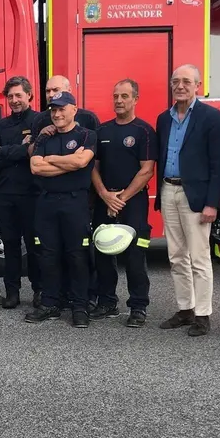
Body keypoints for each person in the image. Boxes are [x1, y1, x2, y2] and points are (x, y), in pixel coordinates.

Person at [155, 64, 220, 337]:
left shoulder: (212, 118)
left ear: (198, 85)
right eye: (175, 81)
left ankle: (202, 314)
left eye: (186, 81)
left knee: (199, 258)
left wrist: (213, 203)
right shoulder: (164, 118)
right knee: (176, 256)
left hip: (196, 197)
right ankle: (185, 309)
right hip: (168, 190)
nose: (180, 86)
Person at [26, 91, 96, 328]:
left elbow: (82, 162)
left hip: (74, 202)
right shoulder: (45, 138)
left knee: (77, 255)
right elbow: (36, 167)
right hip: (47, 202)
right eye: (53, 110)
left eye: (61, 109)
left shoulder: (87, 135)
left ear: (74, 109)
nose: (56, 114)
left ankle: (79, 306)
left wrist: (52, 160)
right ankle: (50, 303)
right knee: (48, 255)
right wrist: (67, 162)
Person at [90, 79, 156, 327]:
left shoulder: (144, 131)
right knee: (103, 253)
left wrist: (121, 198)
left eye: (125, 96)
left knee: (135, 256)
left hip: (133, 201)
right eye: (116, 96)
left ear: (135, 99)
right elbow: (93, 168)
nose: (119, 101)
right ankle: (107, 302)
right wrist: (105, 195)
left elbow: (146, 170)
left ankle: (138, 306)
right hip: (105, 199)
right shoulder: (102, 131)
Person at [0, 76, 43, 309]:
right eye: (10, 96)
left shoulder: (39, 121)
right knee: (10, 246)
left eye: (18, 95)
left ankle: (39, 291)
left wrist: (6, 151)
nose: (14, 100)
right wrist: (22, 150)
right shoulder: (0, 125)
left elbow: (38, 152)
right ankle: (12, 292)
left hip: (32, 194)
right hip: (6, 195)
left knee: (34, 246)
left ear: (29, 95)